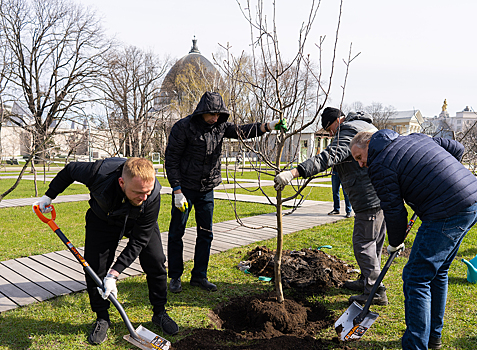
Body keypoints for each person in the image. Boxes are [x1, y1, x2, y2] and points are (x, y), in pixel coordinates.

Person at [350, 129, 477, 350]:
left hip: (447, 211)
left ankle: (415, 346)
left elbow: (393, 211)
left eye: (359, 158)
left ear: (368, 145)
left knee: (415, 277)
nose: (360, 164)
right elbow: (457, 148)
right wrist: (438, 180)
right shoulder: (415, 137)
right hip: (472, 200)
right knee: (438, 271)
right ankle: (433, 337)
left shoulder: (380, 164)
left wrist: (395, 242)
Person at [32, 157, 178, 345]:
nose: (144, 198)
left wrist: (114, 274)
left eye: (147, 192)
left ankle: (159, 312)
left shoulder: (151, 196)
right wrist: (49, 196)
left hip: (137, 222)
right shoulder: (98, 172)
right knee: (94, 269)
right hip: (103, 219)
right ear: (121, 182)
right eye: (139, 193)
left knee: (156, 261)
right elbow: (69, 170)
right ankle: (102, 317)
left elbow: (139, 240)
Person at [165, 91, 287, 293]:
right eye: (212, 114)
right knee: (177, 232)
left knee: (206, 234)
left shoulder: (220, 126)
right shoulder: (183, 127)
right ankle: (175, 276)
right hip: (185, 189)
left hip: (206, 189)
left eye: (219, 114)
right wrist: (177, 190)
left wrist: (268, 126)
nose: (216, 118)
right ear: (202, 111)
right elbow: (172, 159)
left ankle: (199, 276)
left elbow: (242, 131)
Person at [274, 107, 388, 305]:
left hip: (369, 198)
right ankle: (366, 281)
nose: (331, 134)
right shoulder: (365, 126)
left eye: (330, 129)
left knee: (363, 245)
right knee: (374, 243)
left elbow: (328, 157)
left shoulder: (348, 133)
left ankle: (376, 291)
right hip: (382, 194)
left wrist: (294, 172)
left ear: (337, 121)